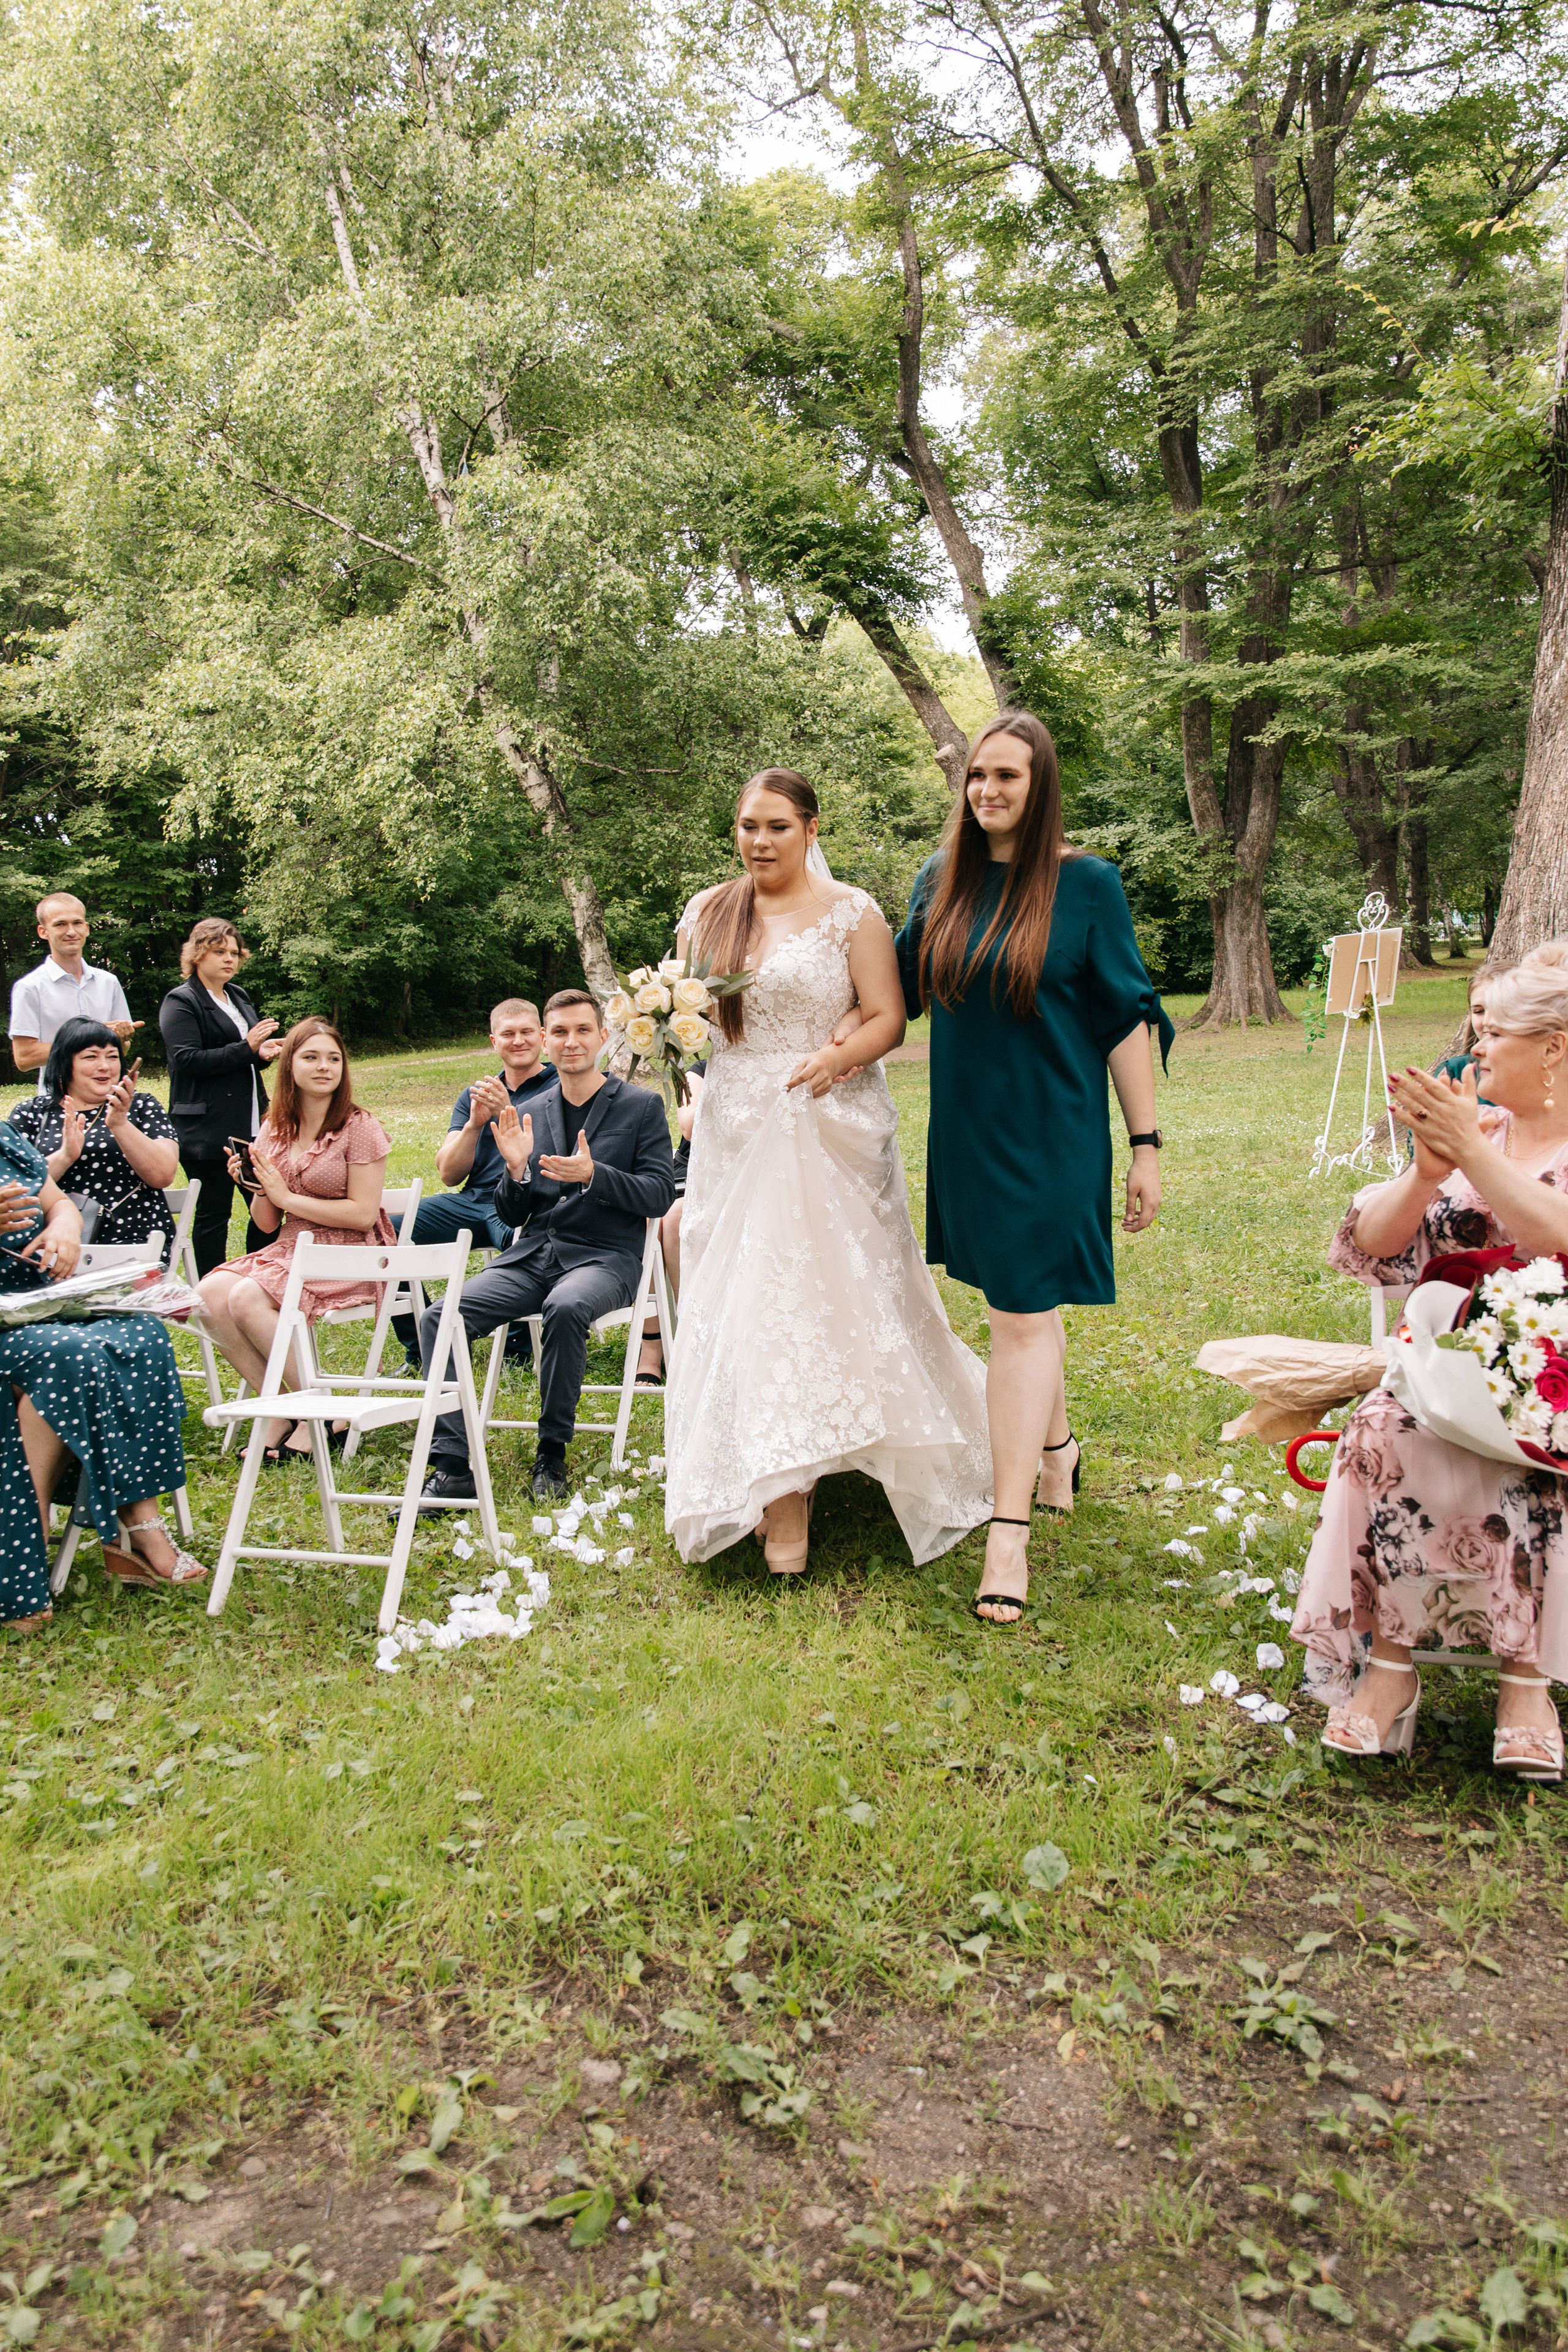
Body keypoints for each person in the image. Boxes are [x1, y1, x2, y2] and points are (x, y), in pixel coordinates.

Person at [664, 768, 992, 1575]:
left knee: (828, 1293)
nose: (760, 841)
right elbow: (689, 1020)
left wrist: (834, 1060)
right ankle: (778, 1475)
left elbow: (888, 1018)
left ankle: (808, 1478)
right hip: (735, 1127)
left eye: (777, 826)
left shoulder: (853, 913)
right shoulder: (707, 911)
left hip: (824, 1119)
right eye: (748, 825)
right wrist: (670, 1050)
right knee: (745, 1295)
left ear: (811, 829)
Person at [891, 713, 1170, 1625]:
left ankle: (1006, 1535)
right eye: (978, 775)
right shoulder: (941, 877)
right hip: (969, 1135)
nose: (987, 791)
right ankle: (1058, 1451)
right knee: (1019, 1302)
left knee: (1018, 1316)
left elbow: (1124, 1018)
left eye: (1006, 776)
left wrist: (1145, 1145)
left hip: (1054, 1134)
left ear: (1039, 783)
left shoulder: (1087, 884)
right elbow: (893, 986)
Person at [1291, 941, 1568, 1781]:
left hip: (1554, 1381)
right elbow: (1372, 1246)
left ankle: (1526, 1684)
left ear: (1554, 1048)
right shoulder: (1473, 1130)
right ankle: (1390, 1667)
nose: (1476, 1045)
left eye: (1495, 1034)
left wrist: (1473, 1153)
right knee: (1381, 1428)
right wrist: (1424, 1173)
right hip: (1448, 1376)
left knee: (1535, 1448)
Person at [415, 990, 676, 1504]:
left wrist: (595, 1175)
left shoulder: (641, 1106)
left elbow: (659, 1194)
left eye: (582, 1030)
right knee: (439, 1317)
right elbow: (513, 1214)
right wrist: (514, 1171)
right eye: (560, 1032)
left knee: (566, 1305)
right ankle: (452, 1464)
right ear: (546, 1041)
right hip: (533, 1255)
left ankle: (551, 1452)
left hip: (607, 1258)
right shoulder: (530, 1109)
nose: (571, 1041)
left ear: (603, 1037)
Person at [0, 1123, 204, 1632]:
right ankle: (28, 1554)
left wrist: (64, 1228)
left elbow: (59, 1203)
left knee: (143, 1334)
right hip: (20, 1326)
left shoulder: (3, 1137)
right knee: (66, 1356)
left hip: (33, 1306)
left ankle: (136, 1523)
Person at [195, 1020, 394, 1466]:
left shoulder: (359, 1126)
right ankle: (285, 1408)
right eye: (311, 1057)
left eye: (333, 1058)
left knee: (246, 1297)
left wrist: (287, 1197)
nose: (324, 1066)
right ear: (289, 1066)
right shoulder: (275, 1128)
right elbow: (267, 1222)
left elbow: (363, 1213)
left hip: (350, 1250)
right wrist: (256, 1187)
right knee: (207, 1296)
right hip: (290, 1247)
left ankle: (318, 1413)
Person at [390, 998, 561, 1365]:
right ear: (494, 1042)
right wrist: (474, 1124)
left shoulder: (560, 1085)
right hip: (473, 1201)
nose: (518, 1041)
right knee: (385, 1231)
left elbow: (556, 1155)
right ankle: (422, 1347)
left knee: (529, 1241)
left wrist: (508, 1111)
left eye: (527, 1032)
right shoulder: (476, 1094)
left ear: (543, 1037)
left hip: (523, 1200)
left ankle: (519, 1348)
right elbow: (449, 1174)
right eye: (508, 1034)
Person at [159, 918, 282, 1276]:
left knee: (268, 1205)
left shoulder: (238, 995)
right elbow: (187, 1060)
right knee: (214, 1212)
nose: (230, 959)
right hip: (205, 1127)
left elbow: (244, 1056)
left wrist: (261, 1054)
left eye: (235, 953)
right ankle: (210, 1289)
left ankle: (258, 1278)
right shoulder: (181, 1000)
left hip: (251, 1121)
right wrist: (247, 1047)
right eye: (219, 952)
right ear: (198, 955)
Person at [7, 1019, 179, 1253]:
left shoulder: (141, 1106)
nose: (105, 1066)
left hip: (133, 1245)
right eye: (91, 1057)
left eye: (112, 1056)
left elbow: (163, 1175)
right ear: (64, 1063)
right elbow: (16, 1190)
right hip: (51, 1247)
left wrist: (120, 1124)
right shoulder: (32, 1113)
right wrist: (65, 1156)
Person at [9, 893, 138, 1088]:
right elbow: (24, 1058)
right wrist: (90, 1041)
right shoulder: (30, 987)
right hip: (58, 1098)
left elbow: (122, 1049)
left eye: (77, 923)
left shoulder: (108, 982)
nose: (71, 931)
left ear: (86, 928)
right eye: (60, 924)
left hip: (108, 1096)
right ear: (43, 932)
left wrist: (122, 1038)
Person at [634, 1071, 701, 1387]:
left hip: (742, 1170)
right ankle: (651, 1349)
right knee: (649, 1219)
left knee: (675, 1218)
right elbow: (689, 1127)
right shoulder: (698, 1071)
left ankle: (690, 1338)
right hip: (690, 1168)